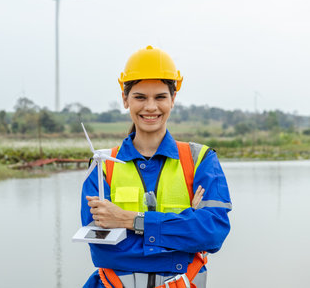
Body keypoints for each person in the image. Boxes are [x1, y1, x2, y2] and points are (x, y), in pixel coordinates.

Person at [81, 45, 232, 288]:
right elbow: (104, 251)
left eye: (160, 97)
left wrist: (129, 220)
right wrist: (184, 228)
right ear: (125, 99)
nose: (150, 107)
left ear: (173, 99)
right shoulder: (102, 166)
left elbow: (212, 233)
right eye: (140, 97)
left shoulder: (200, 160)